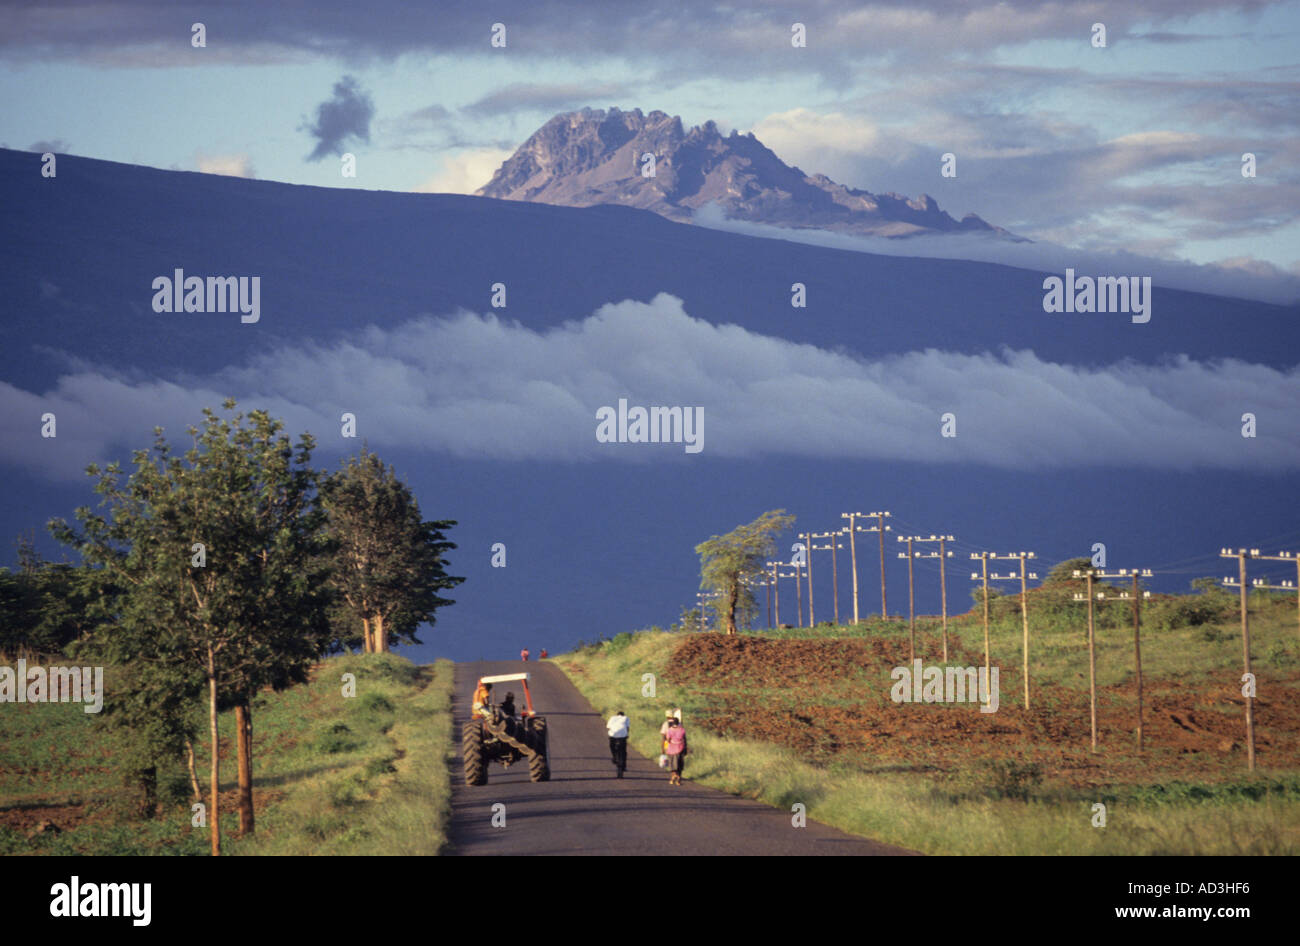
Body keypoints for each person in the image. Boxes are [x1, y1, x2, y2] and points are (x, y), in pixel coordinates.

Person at [663, 717, 688, 786]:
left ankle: (673, 776)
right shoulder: (682, 730)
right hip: (680, 748)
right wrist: (685, 749)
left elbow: (668, 740)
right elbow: (685, 740)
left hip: (671, 749)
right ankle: (678, 779)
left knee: (672, 764)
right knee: (680, 764)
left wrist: (665, 747)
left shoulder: (669, 730)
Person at [606, 710, 629, 778]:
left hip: (613, 735)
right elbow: (627, 728)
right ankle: (623, 765)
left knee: (611, 746)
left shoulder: (612, 718)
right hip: (622, 737)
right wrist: (626, 735)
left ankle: (614, 757)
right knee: (623, 751)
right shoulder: (626, 718)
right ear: (623, 715)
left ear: (617, 715)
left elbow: (608, 727)